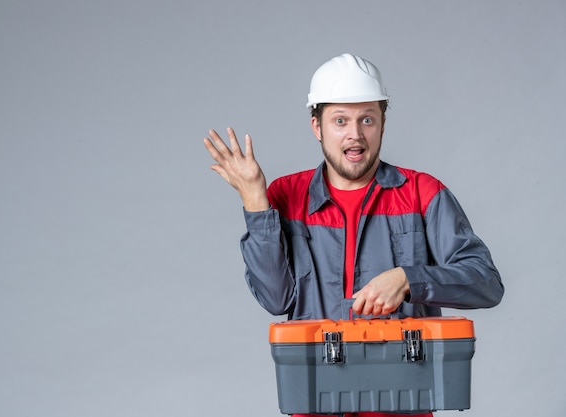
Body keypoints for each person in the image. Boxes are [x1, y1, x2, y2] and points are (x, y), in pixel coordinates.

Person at [203, 53, 504, 417]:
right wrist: (254, 201)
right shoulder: (286, 197)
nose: (355, 134)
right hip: (317, 404)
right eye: (340, 120)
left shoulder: (423, 192)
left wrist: (409, 278)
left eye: (367, 119)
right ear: (317, 127)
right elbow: (275, 299)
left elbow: (486, 283)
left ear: (382, 123)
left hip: (402, 402)